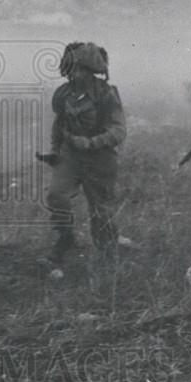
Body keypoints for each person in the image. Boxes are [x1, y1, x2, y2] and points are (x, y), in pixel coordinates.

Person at [42, 42, 127, 266]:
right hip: (70, 154)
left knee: (101, 209)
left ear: (91, 71)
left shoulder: (106, 93)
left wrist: (91, 143)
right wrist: (53, 150)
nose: (75, 74)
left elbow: (118, 130)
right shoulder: (63, 94)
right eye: (71, 69)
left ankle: (108, 253)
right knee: (56, 195)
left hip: (100, 157)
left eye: (80, 69)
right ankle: (65, 238)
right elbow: (58, 124)